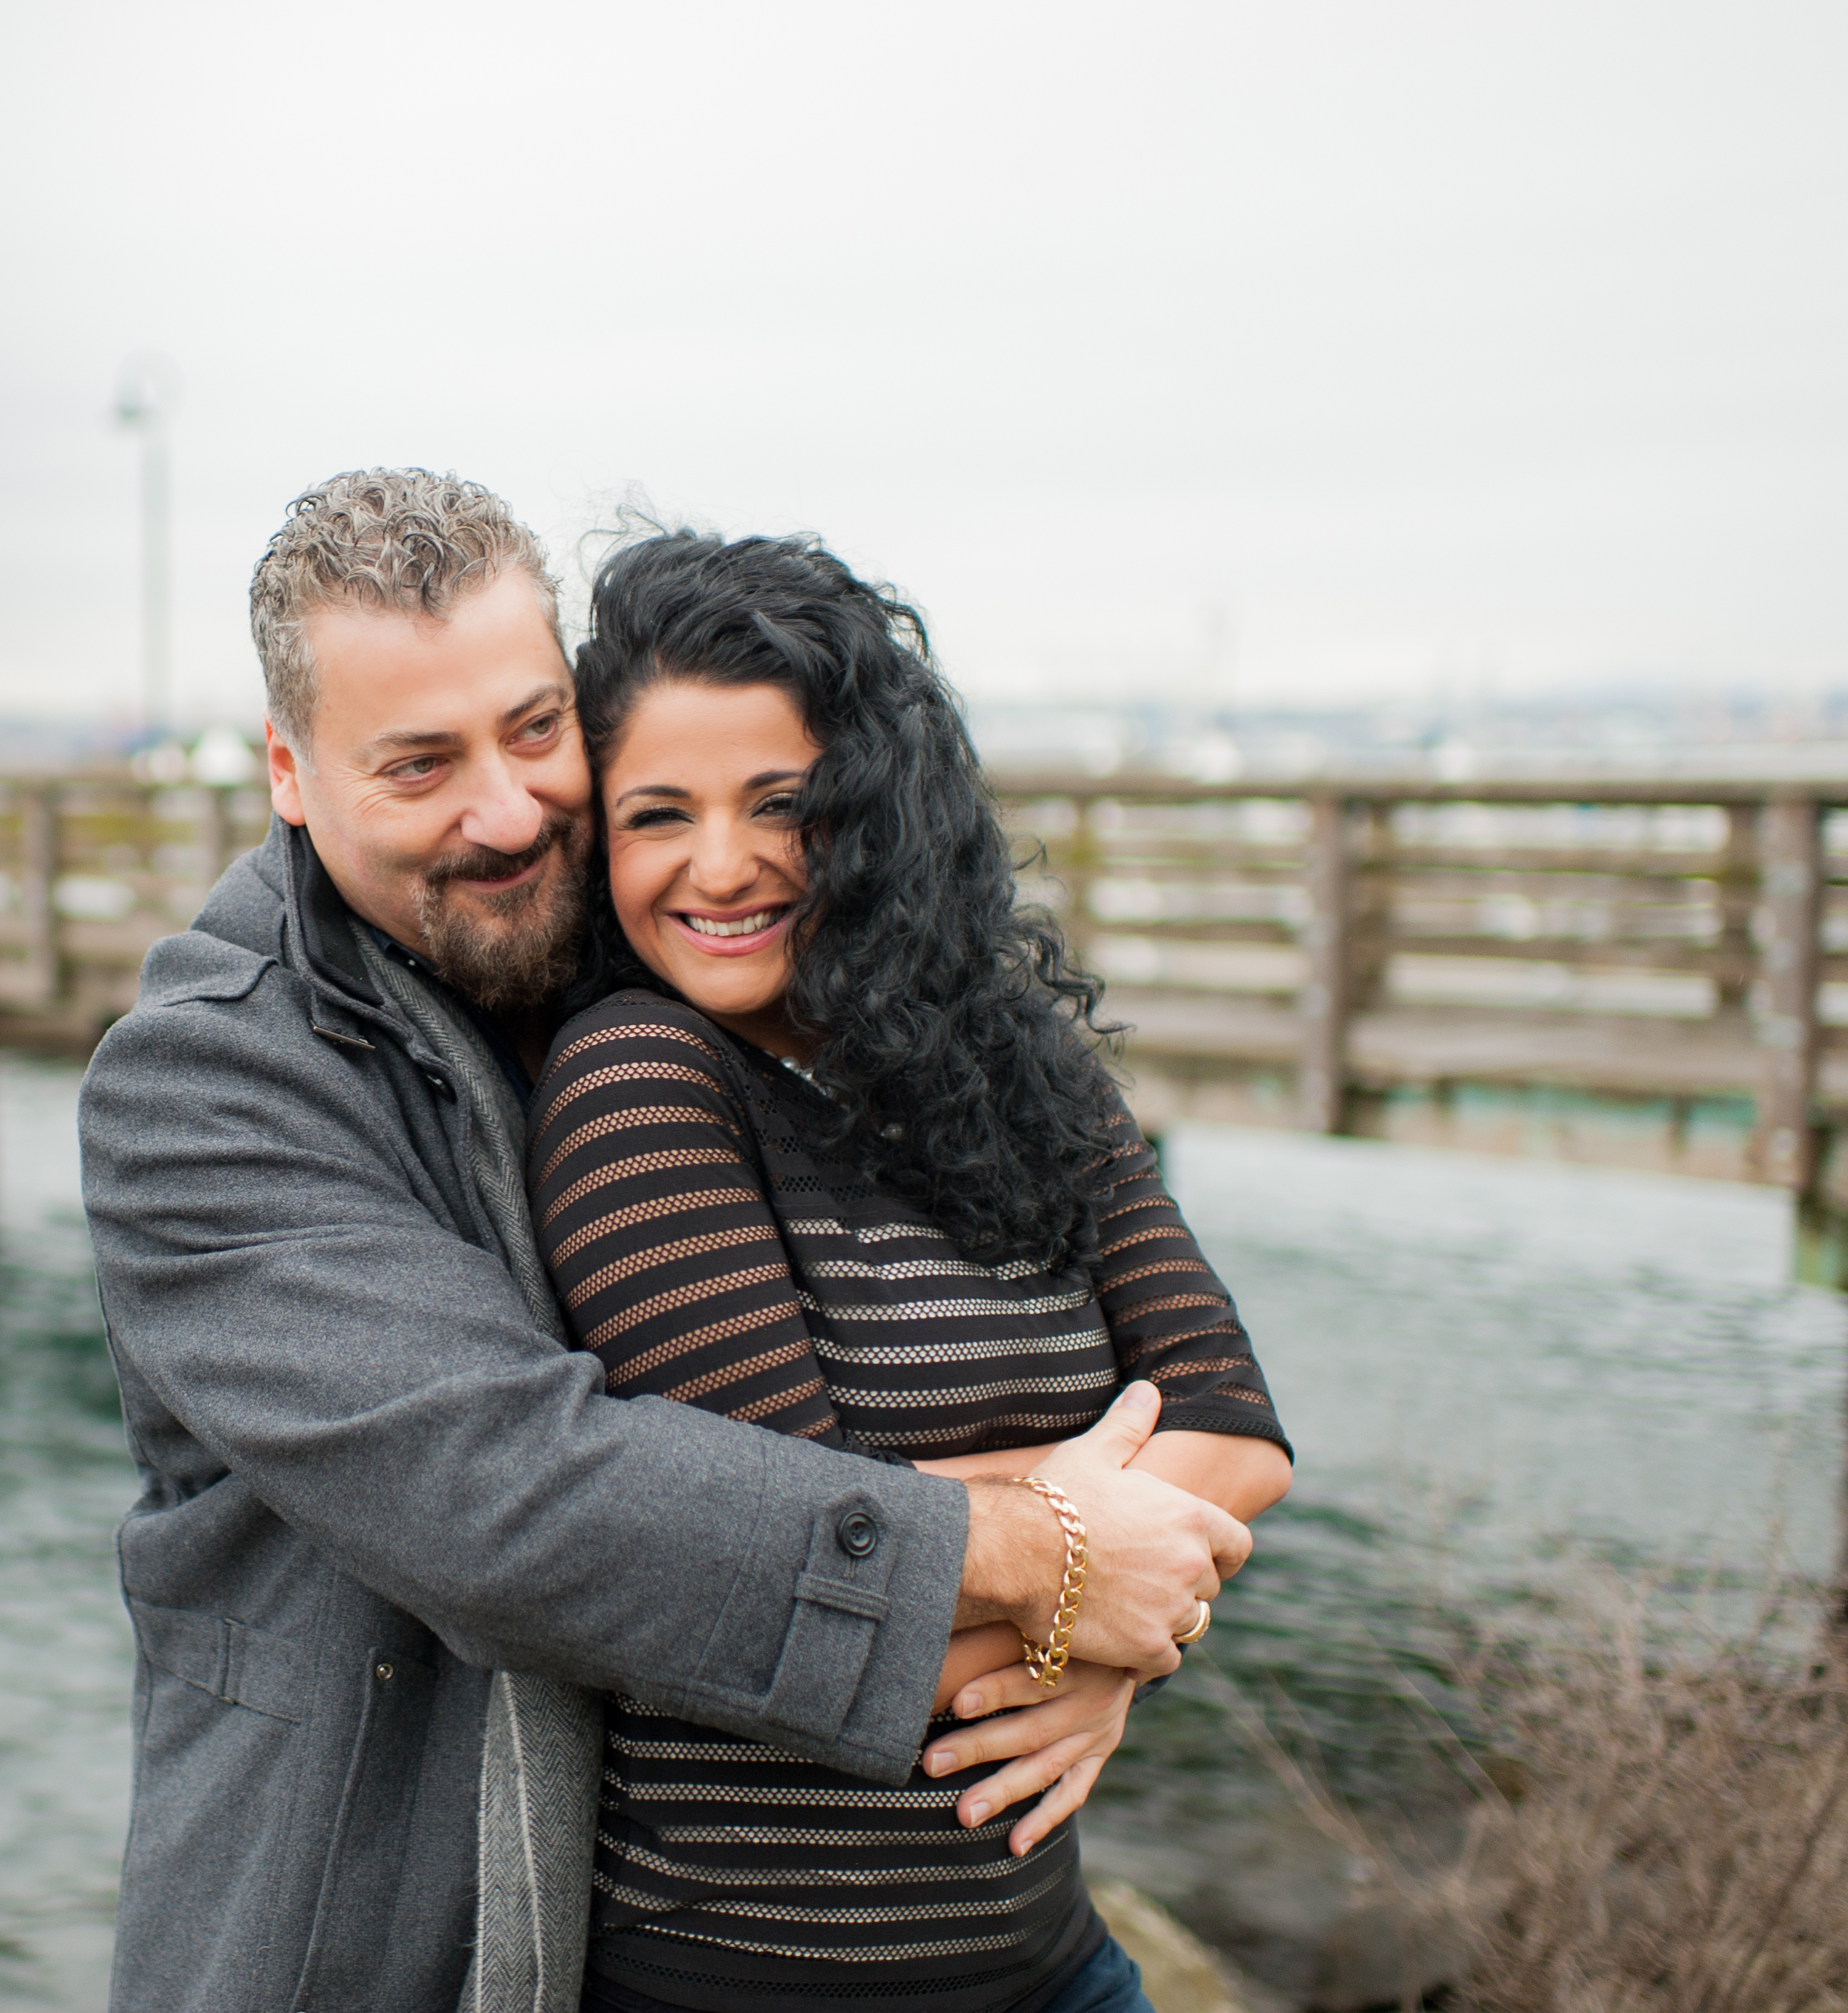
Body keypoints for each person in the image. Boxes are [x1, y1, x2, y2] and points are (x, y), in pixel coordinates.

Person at [77, 470, 1253, 2013]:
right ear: (290, 776)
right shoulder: (207, 1087)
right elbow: (518, 1499)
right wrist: (1062, 1567)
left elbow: (1202, 1410)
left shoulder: (635, 958)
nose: (503, 811)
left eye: (532, 731)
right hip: (375, 1951)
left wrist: (1097, 1646)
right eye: (419, 763)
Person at [531, 528, 1293, 2013]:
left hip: (1054, 1965)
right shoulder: (637, 1084)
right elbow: (781, 1581)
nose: (719, 863)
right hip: (755, 1977)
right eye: (657, 814)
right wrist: (1100, 1589)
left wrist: (1048, 1590)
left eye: (779, 803)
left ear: (873, 810)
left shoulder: (1020, 1062)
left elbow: (1236, 1429)